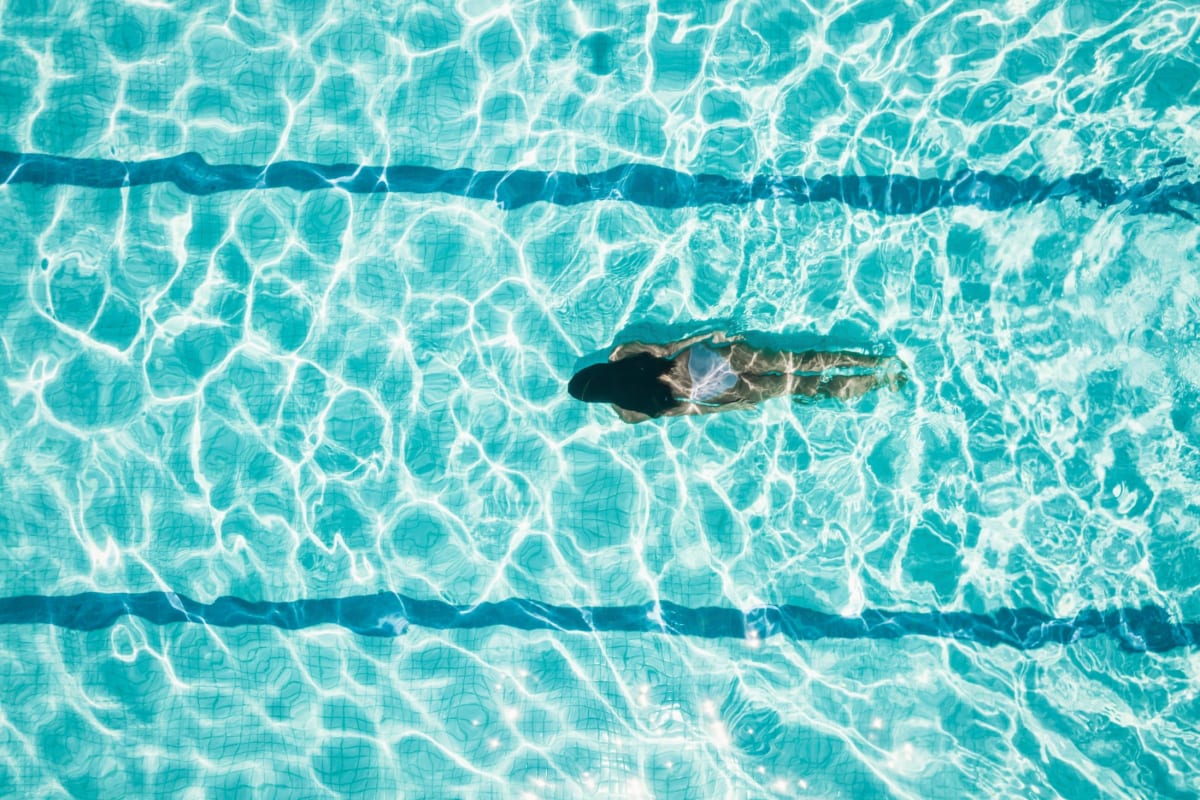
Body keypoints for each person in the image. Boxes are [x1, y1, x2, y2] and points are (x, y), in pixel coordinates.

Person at [567, 332, 906, 423]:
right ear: (595, 371)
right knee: (800, 361)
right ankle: (878, 361)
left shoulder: (629, 412)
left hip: (714, 389)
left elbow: (686, 409)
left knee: (799, 385)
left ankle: (880, 381)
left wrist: (730, 407)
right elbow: (668, 346)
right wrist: (708, 336)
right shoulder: (621, 355)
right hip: (704, 360)